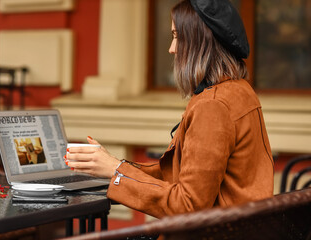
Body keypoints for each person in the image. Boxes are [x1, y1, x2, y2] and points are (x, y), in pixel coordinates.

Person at [65, 0, 274, 219]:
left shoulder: (213, 105)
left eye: (177, 36)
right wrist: (112, 167)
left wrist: (116, 171)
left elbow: (188, 206)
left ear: (199, 42)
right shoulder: (239, 90)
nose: (172, 49)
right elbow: (178, 175)